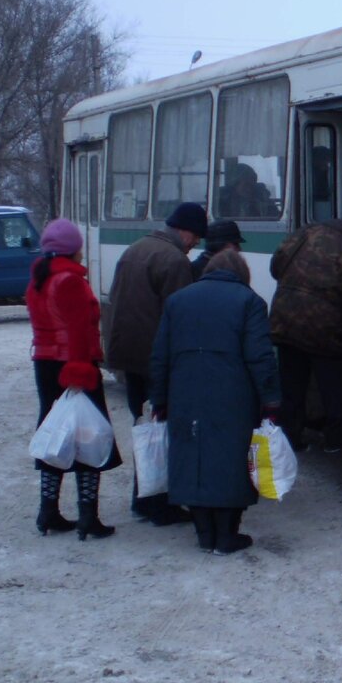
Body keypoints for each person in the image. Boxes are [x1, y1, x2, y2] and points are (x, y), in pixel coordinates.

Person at [149, 249, 281, 554]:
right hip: (233, 394)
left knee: (191, 457)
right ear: (242, 274)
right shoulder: (250, 302)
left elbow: (160, 355)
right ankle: (227, 535)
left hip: (184, 392)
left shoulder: (177, 301)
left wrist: (159, 398)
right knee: (230, 459)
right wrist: (271, 400)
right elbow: (261, 357)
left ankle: (204, 534)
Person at [105, 201, 207, 526]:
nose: (195, 246)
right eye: (196, 238)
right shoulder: (174, 261)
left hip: (129, 356)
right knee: (165, 432)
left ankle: (144, 499)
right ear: (185, 231)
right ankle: (160, 503)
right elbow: (183, 316)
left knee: (145, 429)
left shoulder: (135, 249)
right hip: (157, 362)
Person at [26, 218, 123, 540]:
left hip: (45, 364)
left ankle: (48, 510)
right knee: (88, 437)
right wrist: (81, 371)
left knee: (56, 436)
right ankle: (87, 516)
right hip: (72, 365)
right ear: (74, 249)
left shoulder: (39, 279)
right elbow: (79, 331)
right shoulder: (69, 281)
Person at [269, 199, 342, 453]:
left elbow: (276, 264)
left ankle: (290, 439)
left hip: (285, 319)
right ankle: (337, 441)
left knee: (291, 386)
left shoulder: (309, 230)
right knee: (335, 388)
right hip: (325, 328)